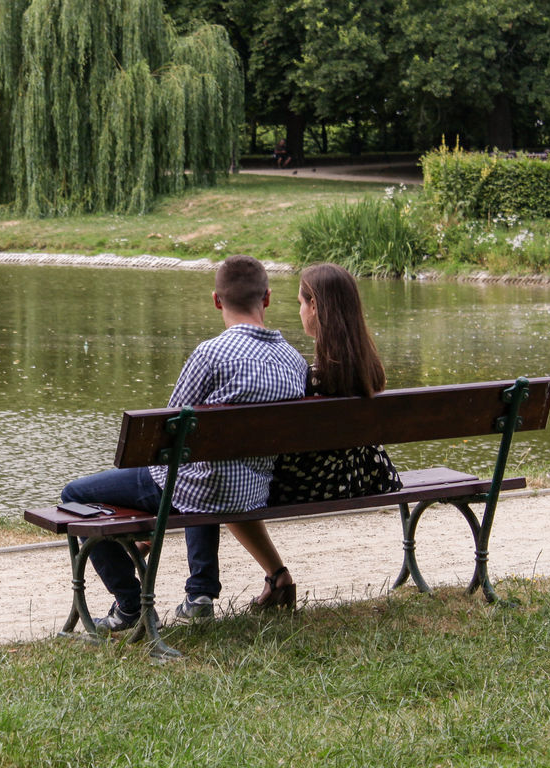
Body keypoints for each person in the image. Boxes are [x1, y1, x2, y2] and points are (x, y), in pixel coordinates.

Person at [60, 256, 308, 632]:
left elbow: (167, 430)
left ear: (216, 300)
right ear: (268, 299)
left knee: (74, 494)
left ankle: (129, 605)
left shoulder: (210, 354)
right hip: (252, 490)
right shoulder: (293, 360)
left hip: (204, 485)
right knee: (202, 468)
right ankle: (200, 594)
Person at [227, 262, 402, 609]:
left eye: (301, 303)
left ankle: (273, 576)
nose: (300, 310)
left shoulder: (315, 377)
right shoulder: (369, 369)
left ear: (316, 306)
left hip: (314, 485)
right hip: (364, 478)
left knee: (229, 485)